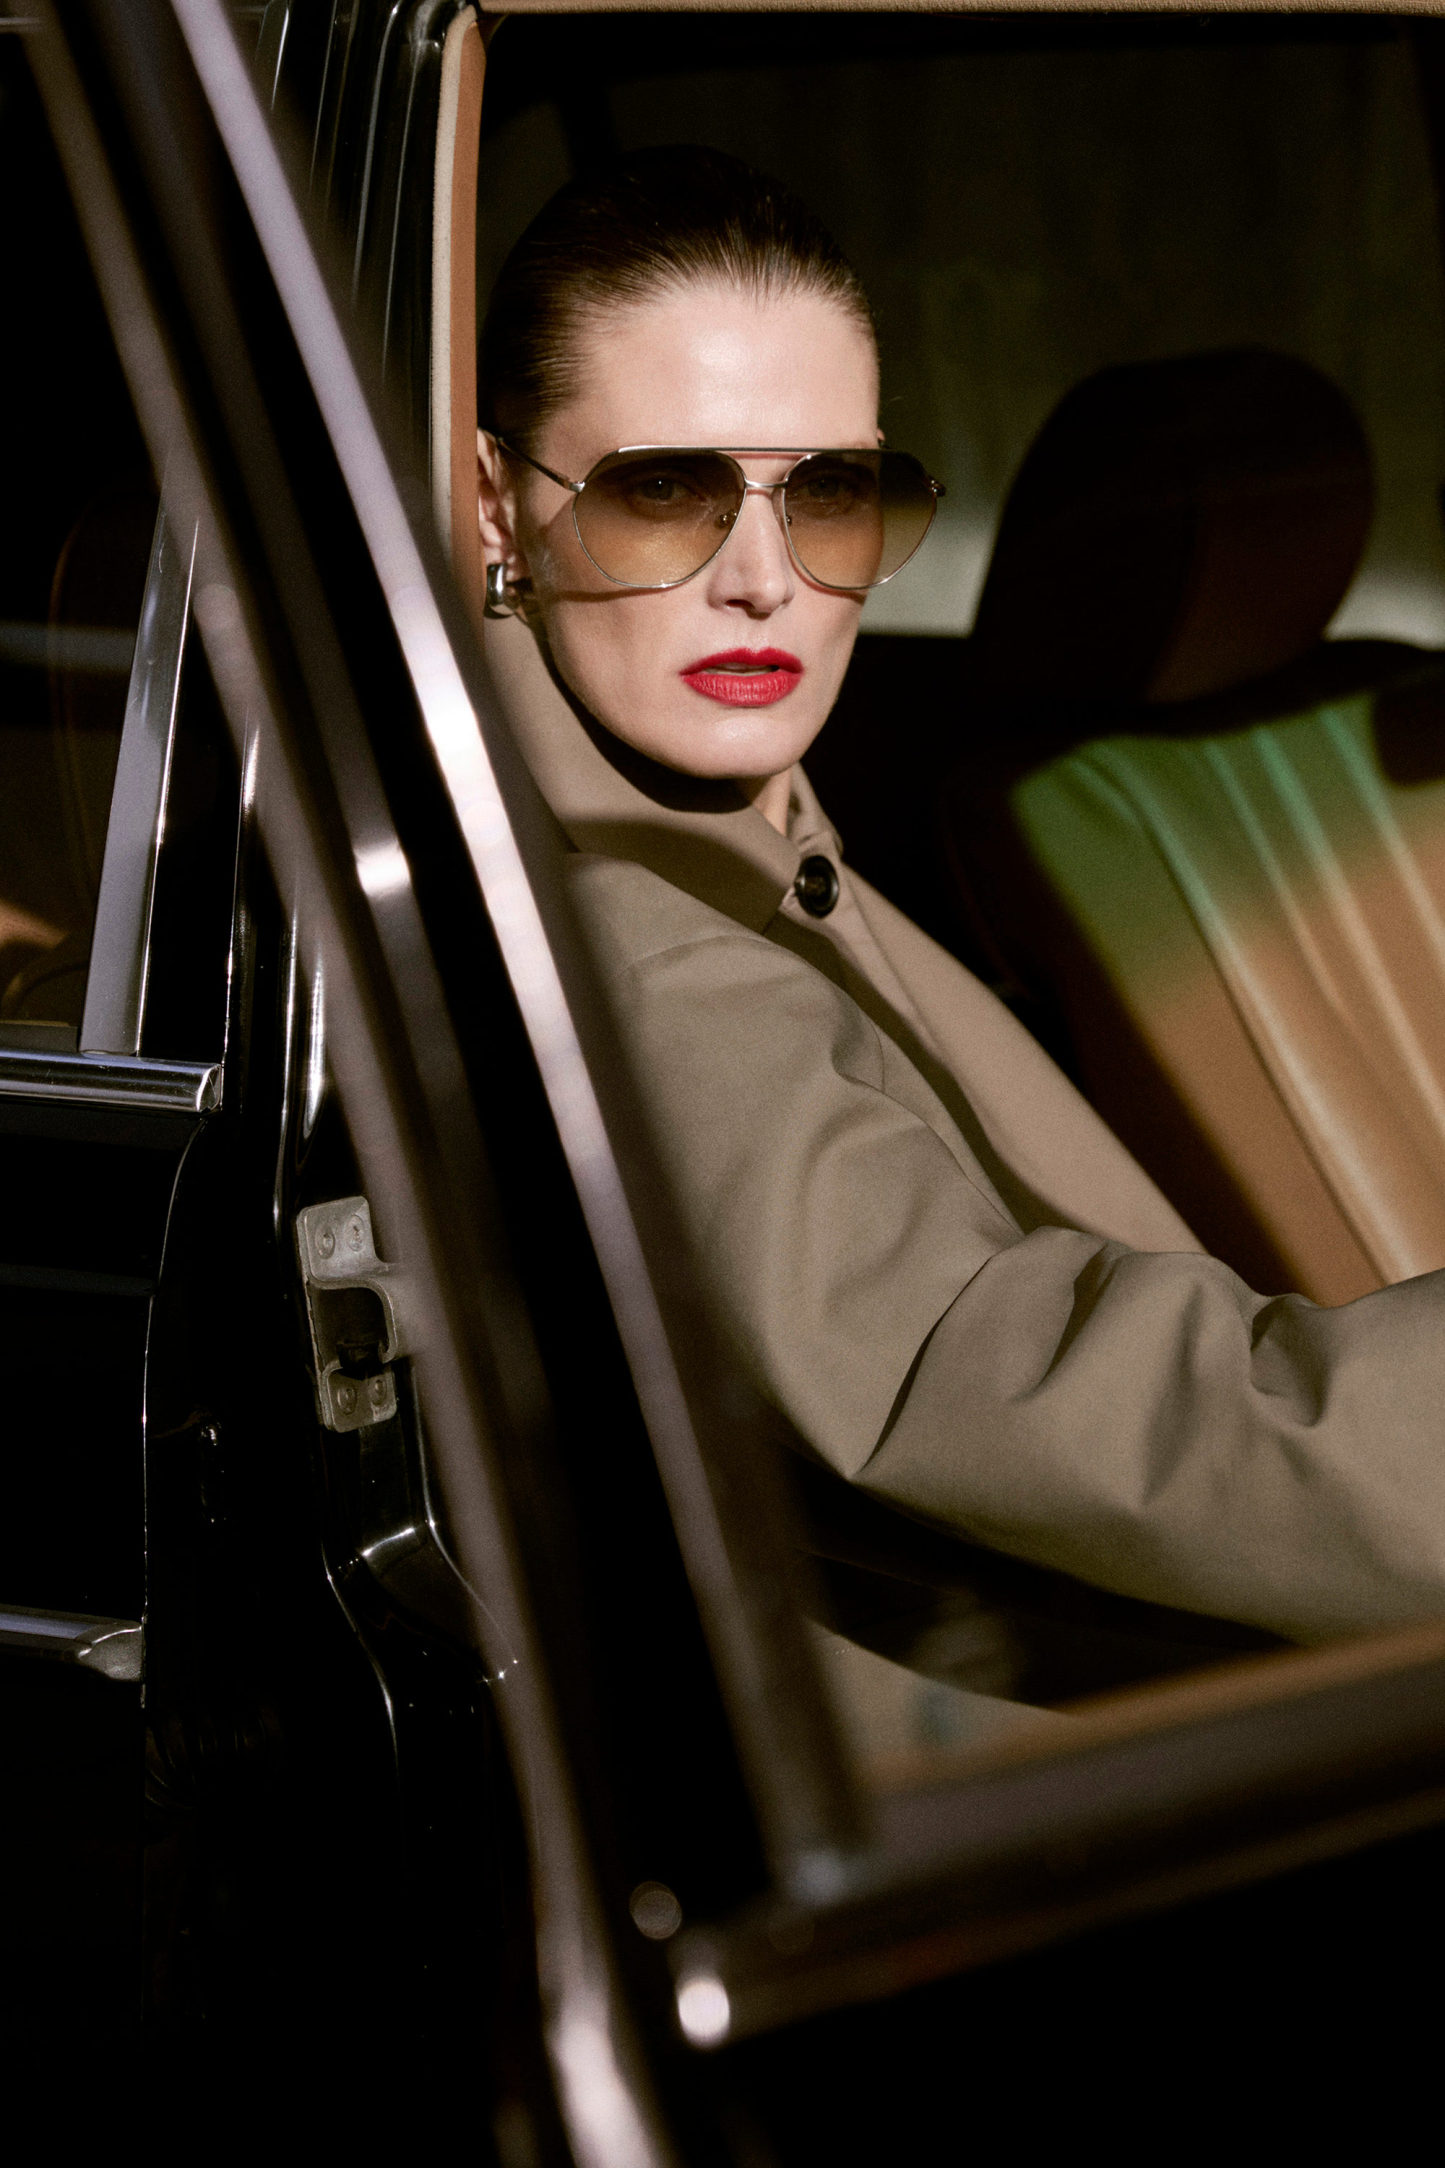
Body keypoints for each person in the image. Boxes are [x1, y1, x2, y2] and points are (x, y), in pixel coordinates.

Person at [476, 145, 1445, 1649]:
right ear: (493, 508)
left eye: (829, 493)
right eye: (662, 491)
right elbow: (998, 1374)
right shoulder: (608, 948)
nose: (762, 578)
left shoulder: (766, 841)